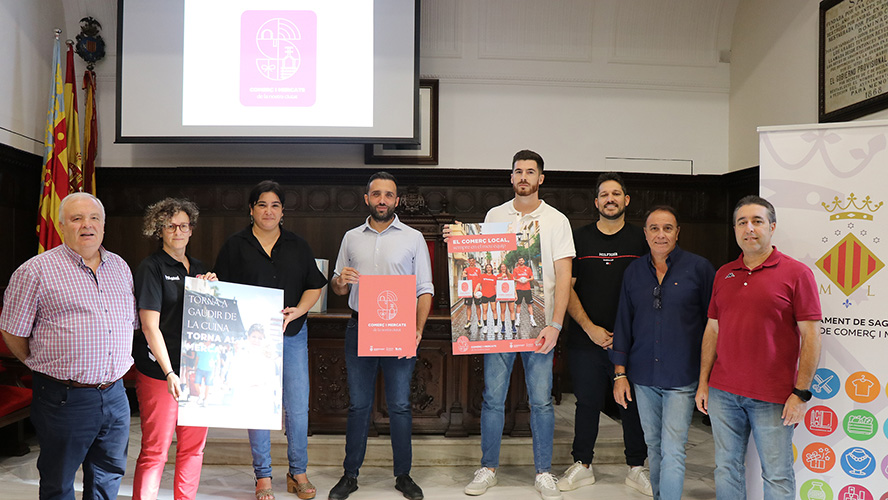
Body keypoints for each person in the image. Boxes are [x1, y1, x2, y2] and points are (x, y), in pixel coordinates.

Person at [0, 192, 137, 500]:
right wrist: (43, 365)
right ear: (61, 226)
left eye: (94, 218)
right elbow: (12, 332)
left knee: (108, 476)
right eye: (76, 219)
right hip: (64, 397)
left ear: (104, 225)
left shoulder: (120, 267)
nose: (86, 225)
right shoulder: (35, 271)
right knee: (59, 482)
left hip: (115, 395)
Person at [462, 150, 575, 500]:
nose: (524, 177)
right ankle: (488, 468)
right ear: (511, 178)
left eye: (531, 171)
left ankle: (543, 472)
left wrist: (556, 324)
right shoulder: (495, 215)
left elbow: (564, 274)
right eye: (518, 171)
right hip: (502, 323)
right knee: (493, 398)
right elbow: (484, 260)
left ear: (542, 178)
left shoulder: (556, 220)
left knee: (541, 401)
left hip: (541, 326)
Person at [695, 195, 821, 500]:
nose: (749, 228)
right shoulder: (723, 273)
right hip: (723, 393)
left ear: (772, 226)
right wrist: (704, 383)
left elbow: (812, 336)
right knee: (726, 468)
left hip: (773, 398)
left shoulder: (797, 274)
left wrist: (801, 393)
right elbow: (712, 329)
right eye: (742, 222)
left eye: (757, 221)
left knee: (776, 475)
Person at [215, 180, 327, 500]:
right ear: (251, 210)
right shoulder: (234, 246)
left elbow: (313, 286)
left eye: (275, 205)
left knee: (297, 406)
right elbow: (222, 291)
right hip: (253, 342)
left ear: (283, 211)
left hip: (291, 334)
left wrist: (298, 312)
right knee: (258, 405)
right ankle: (262, 475)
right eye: (262, 204)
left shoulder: (298, 245)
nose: (269, 211)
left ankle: (297, 472)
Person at [328, 171, 433, 500]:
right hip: (359, 326)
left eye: (389, 195)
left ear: (396, 200)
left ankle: (403, 475)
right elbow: (337, 285)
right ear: (367, 199)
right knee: (359, 406)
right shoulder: (350, 237)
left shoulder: (413, 238)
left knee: (400, 405)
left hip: (399, 328)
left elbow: (425, 289)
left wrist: (417, 328)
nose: (382, 200)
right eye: (376, 194)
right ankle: (350, 475)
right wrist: (341, 281)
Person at [610, 206, 715, 500]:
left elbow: (714, 325)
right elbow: (623, 322)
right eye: (654, 228)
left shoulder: (700, 269)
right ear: (645, 234)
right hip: (643, 376)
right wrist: (620, 373)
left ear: (678, 232)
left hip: (682, 377)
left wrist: (708, 376)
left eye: (667, 228)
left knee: (673, 447)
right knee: (653, 446)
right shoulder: (633, 272)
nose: (660, 234)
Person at [559, 172, 651, 496]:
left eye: (616, 193)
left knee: (632, 404)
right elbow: (565, 288)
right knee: (586, 403)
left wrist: (627, 335)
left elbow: (652, 290)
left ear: (626, 200)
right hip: (586, 339)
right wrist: (590, 328)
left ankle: (636, 468)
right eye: (603, 194)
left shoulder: (642, 240)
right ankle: (582, 465)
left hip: (633, 343)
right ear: (595, 202)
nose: (609, 199)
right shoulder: (578, 238)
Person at [132, 197, 218, 500]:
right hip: (160, 373)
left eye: (183, 225)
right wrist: (169, 371)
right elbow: (149, 326)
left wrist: (213, 292)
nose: (177, 230)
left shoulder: (200, 269)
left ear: (191, 230)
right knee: (155, 450)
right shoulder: (151, 268)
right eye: (170, 225)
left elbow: (211, 324)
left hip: (196, 371)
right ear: (160, 230)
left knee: (194, 448)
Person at [511, 257, 536, 328]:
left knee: (529, 304)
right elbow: (513, 278)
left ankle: (532, 319)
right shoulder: (516, 269)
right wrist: (518, 280)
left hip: (527, 289)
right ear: (518, 262)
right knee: (518, 304)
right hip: (519, 289)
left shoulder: (528, 269)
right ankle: (518, 320)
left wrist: (527, 279)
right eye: (520, 260)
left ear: (524, 261)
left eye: (522, 260)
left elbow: (532, 277)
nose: (521, 261)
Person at [462, 256, 483, 330]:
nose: (471, 262)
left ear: (475, 261)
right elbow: (463, 274)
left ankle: (479, 321)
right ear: (468, 262)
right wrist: (464, 273)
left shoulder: (478, 270)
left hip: (477, 291)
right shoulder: (466, 269)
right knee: (468, 306)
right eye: (470, 261)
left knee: (478, 306)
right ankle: (468, 321)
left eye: (472, 261)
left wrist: (477, 290)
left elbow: (480, 281)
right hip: (469, 291)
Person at [496, 263, 517, 336]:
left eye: (504, 267)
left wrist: (515, 294)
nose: (503, 268)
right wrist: (501, 277)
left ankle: (513, 326)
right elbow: (497, 282)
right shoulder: (498, 275)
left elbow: (513, 285)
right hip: (502, 295)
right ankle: (503, 326)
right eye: (502, 267)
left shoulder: (510, 275)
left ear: (506, 268)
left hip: (510, 294)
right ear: (500, 268)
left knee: (512, 310)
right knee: (503, 311)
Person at [478, 263, 498, 336]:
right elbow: (479, 284)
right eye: (487, 267)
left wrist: (497, 295)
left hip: (492, 295)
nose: (489, 269)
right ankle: (485, 327)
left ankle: (495, 326)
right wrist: (475, 293)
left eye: (490, 267)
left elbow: (496, 286)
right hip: (484, 295)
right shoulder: (482, 276)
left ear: (491, 269)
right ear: (486, 269)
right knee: (485, 311)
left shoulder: (494, 277)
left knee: (494, 310)